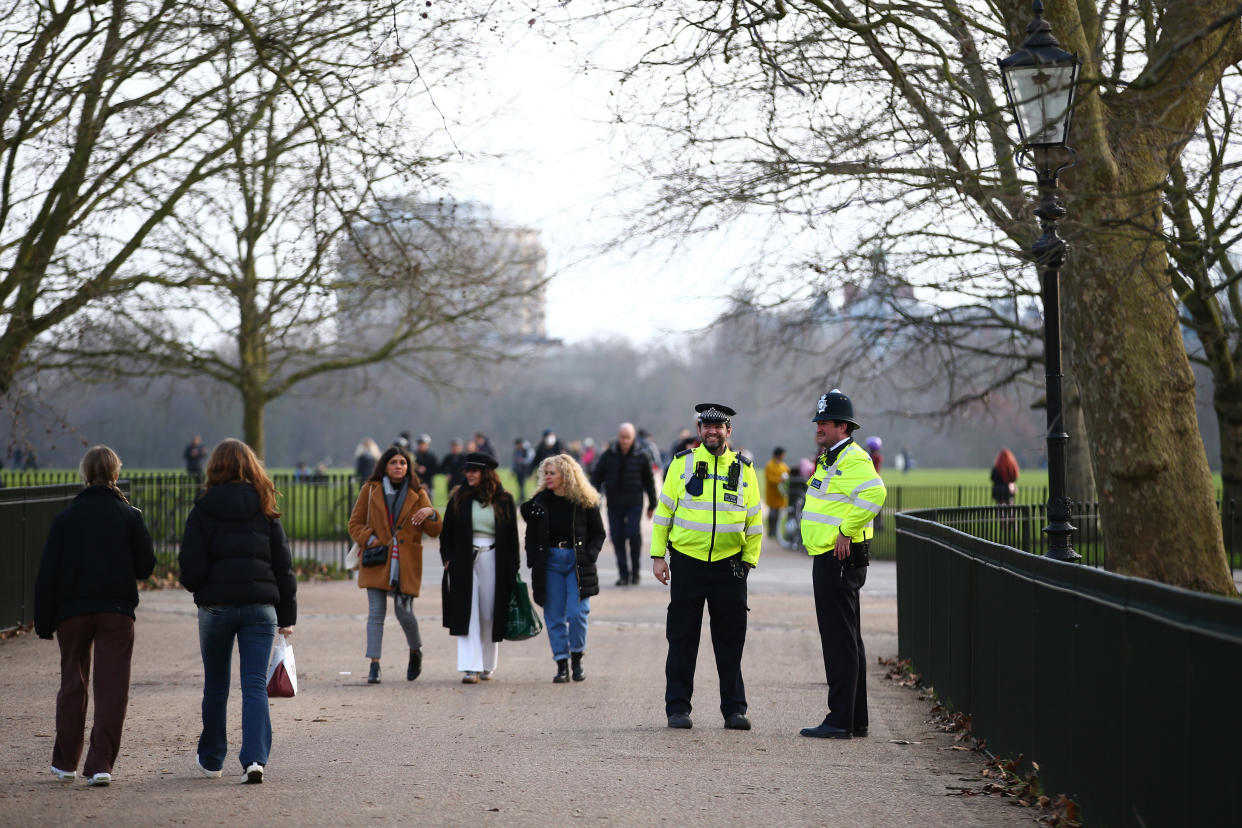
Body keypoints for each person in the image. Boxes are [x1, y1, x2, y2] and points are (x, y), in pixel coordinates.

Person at [34, 446, 156, 787]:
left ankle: (65, 762)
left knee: (73, 684)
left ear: (85, 475)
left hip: (72, 610)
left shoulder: (66, 518)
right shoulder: (129, 516)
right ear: (116, 475)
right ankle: (100, 763)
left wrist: (44, 620)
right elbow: (146, 567)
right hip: (116, 610)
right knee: (111, 687)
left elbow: (48, 573)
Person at [179, 439, 297, 783]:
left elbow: (190, 566)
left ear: (214, 467)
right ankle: (255, 759)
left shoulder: (203, 508)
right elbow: (283, 565)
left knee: (216, 685)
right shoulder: (264, 505)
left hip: (216, 606)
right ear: (250, 465)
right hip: (261, 606)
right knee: (255, 685)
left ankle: (213, 758)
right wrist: (287, 615)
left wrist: (200, 586)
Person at [650, 403, 762, 731]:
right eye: (706, 425)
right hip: (688, 564)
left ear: (729, 431)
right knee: (682, 639)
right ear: (699, 430)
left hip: (730, 568)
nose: (712, 431)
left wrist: (748, 561)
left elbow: (755, 520)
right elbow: (664, 512)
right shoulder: (681, 465)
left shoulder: (745, 469)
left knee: (730, 642)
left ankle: (734, 710)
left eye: (719, 426)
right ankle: (678, 708)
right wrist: (659, 556)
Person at [798, 390, 886, 740]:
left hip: (837, 558)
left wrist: (847, 531)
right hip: (831, 556)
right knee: (848, 637)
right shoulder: (832, 457)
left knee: (839, 640)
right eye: (818, 421)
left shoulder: (852, 459)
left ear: (843, 426)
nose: (819, 427)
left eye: (825, 422)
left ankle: (839, 720)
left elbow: (876, 494)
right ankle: (854, 718)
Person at [349, 445, 442, 684]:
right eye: (394, 462)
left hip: (405, 562)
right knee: (376, 613)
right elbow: (355, 523)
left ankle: (415, 650)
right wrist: (372, 540)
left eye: (403, 462)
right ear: (385, 465)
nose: (398, 466)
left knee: (404, 614)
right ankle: (374, 664)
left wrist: (431, 512)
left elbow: (433, 531)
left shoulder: (417, 492)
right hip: (376, 558)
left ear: (408, 466)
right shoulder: (370, 490)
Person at [520, 454, 605, 683]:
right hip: (550, 563)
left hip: (578, 562)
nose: (547, 477)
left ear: (566, 475)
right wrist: (532, 559)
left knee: (577, 614)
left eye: (552, 473)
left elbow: (598, 533)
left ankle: (577, 658)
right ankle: (561, 663)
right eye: (545, 473)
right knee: (554, 616)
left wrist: (590, 555)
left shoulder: (584, 501)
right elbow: (530, 536)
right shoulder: (540, 502)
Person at [439, 452, 519, 683]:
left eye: (475, 470)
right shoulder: (459, 498)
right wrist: (448, 558)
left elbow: (512, 538)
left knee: (489, 612)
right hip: (464, 559)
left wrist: (513, 568)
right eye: (468, 470)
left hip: (494, 558)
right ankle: (469, 667)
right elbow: (447, 533)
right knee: (467, 611)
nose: (470, 474)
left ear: (486, 473)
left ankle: (486, 665)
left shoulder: (503, 499)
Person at [591, 423, 657, 586]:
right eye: (622, 437)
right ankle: (623, 574)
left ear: (633, 437)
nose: (625, 441)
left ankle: (635, 571)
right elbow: (596, 479)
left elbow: (649, 481)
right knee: (618, 537)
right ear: (618, 437)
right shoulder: (608, 455)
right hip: (614, 503)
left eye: (628, 437)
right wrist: (592, 501)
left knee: (633, 534)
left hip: (635, 502)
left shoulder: (641, 455)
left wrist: (652, 504)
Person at [764, 447, 790, 539]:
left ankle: (776, 532)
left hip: (781, 494)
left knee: (778, 515)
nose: (784, 456)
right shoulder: (769, 465)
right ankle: (771, 531)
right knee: (772, 514)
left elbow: (788, 475)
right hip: (772, 493)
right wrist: (780, 480)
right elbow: (769, 478)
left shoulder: (784, 465)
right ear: (779, 455)